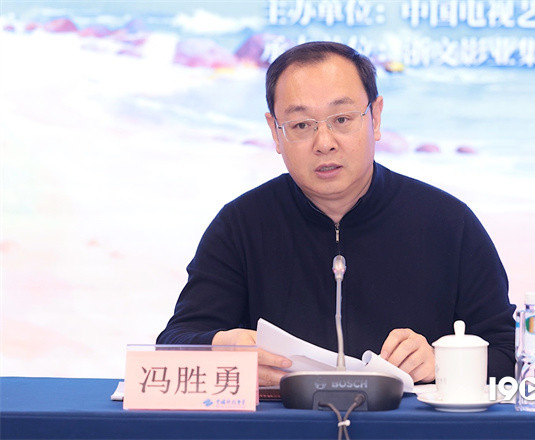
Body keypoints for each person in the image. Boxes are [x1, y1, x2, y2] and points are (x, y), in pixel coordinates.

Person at [157, 41, 515, 386]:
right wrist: (220, 348)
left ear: (375, 118)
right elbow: (174, 345)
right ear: (275, 133)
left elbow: (510, 353)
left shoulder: (448, 223)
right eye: (301, 125)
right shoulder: (240, 226)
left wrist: (442, 362)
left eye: (342, 119)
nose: (324, 142)